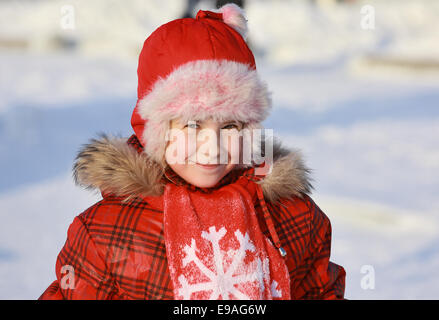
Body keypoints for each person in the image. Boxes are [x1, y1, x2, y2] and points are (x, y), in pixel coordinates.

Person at [39, 3, 345, 300]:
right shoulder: (107, 233)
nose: (212, 148)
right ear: (156, 129)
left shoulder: (293, 215)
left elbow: (320, 291)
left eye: (230, 127)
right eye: (192, 124)